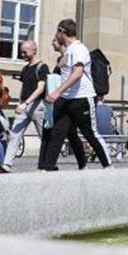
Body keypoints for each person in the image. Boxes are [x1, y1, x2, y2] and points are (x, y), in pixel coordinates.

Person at [41, 19, 111, 170]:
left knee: (90, 133)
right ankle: (46, 167)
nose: (55, 36)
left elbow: (77, 73)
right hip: (67, 98)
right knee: (58, 131)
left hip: (82, 98)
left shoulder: (78, 49)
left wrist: (57, 91)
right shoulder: (68, 50)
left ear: (62, 31)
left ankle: (107, 165)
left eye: (56, 32)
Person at [0, 39, 50, 173]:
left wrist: (26, 103)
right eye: (21, 52)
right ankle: (6, 164)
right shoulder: (25, 68)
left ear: (33, 50)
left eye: (25, 52)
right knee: (15, 133)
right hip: (24, 105)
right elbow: (25, 86)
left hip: (38, 106)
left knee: (44, 136)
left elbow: (40, 88)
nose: (22, 54)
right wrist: (20, 102)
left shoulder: (42, 67)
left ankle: (47, 164)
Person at [38, 37, 87, 170]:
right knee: (71, 134)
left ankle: (47, 165)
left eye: (54, 40)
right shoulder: (62, 59)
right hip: (61, 100)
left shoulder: (67, 59)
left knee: (58, 132)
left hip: (68, 100)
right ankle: (82, 164)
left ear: (60, 43)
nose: (51, 42)